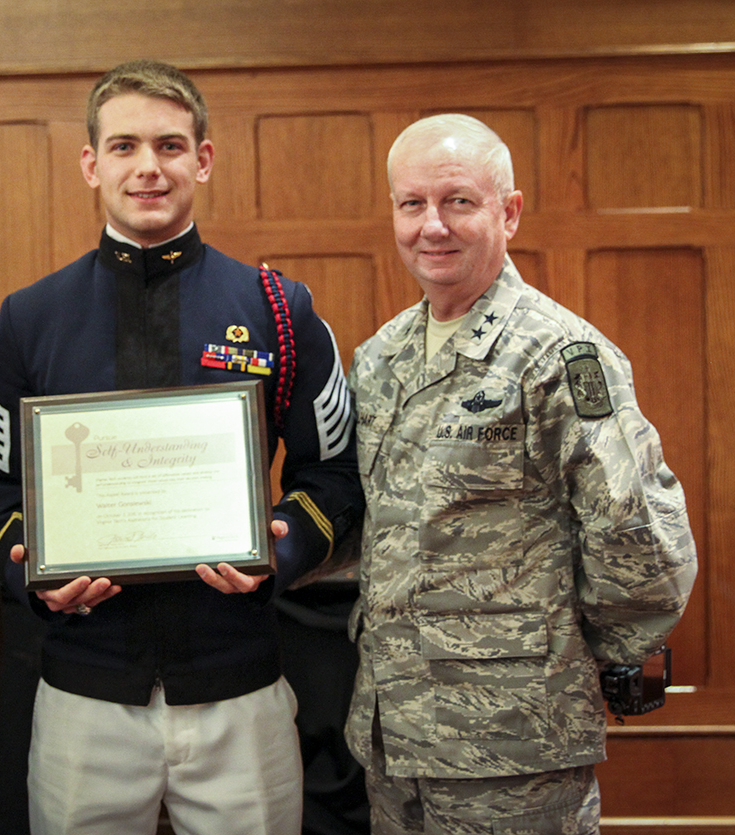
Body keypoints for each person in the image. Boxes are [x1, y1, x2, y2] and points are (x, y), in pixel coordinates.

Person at [0, 59, 364, 835]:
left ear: (204, 158)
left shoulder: (278, 310)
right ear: (91, 164)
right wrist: (34, 575)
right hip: (86, 694)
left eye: (169, 145)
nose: (148, 167)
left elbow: (334, 476)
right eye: (123, 147)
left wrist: (280, 551)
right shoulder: (28, 319)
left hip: (239, 687)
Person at [344, 113, 698, 834]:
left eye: (458, 201)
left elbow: (637, 538)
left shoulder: (561, 355)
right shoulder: (381, 357)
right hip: (395, 733)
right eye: (412, 204)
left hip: (514, 738)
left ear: (508, 212)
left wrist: (572, 663)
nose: (431, 226)